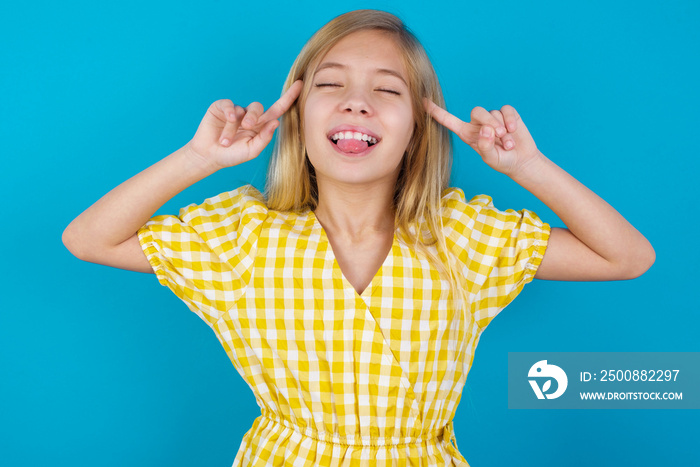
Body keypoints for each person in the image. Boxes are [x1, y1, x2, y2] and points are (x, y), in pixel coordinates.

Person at [62, 9, 655, 466]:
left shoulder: (462, 236)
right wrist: (198, 158)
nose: (356, 102)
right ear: (295, 115)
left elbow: (628, 257)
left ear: (418, 127)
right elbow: (90, 239)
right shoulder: (242, 238)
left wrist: (528, 168)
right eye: (331, 85)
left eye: (388, 90)